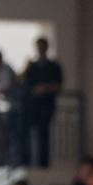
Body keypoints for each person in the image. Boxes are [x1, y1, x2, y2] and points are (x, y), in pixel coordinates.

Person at [21, 37, 62, 167]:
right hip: (32, 106)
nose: (40, 49)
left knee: (44, 134)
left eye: (42, 47)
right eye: (38, 47)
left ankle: (43, 162)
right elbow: (22, 82)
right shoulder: (32, 66)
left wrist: (45, 88)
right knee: (29, 134)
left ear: (46, 48)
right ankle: (28, 161)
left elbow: (58, 86)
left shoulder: (54, 66)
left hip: (46, 105)